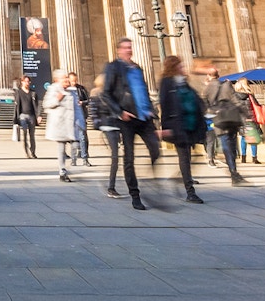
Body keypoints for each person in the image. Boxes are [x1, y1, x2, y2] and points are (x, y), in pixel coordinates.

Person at [101, 38, 160, 211]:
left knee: (156, 149)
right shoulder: (113, 67)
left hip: (144, 117)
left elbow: (143, 90)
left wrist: (150, 109)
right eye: (125, 48)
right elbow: (106, 94)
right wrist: (120, 112)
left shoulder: (137, 68)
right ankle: (135, 195)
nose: (129, 50)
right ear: (119, 50)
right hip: (127, 118)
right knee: (129, 158)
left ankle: (150, 181)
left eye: (130, 47)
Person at [157, 56, 206, 204]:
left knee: (195, 156)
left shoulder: (184, 82)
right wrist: (165, 127)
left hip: (192, 125)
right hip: (178, 126)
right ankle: (190, 192)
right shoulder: (166, 83)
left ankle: (181, 177)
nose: (183, 67)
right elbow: (164, 105)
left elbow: (196, 100)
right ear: (173, 66)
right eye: (180, 65)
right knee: (185, 158)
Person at [204, 64, 247, 185]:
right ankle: (234, 172)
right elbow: (236, 101)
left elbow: (204, 107)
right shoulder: (227, 85)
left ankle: (233, 172)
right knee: (232, 146)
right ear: (218, 76)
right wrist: (245, 114)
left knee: (226, 145)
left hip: (219, 121)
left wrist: (212, 116)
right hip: (232, 119)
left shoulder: (207, 89)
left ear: (208, 76)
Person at [89, 73, 122, 198]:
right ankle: (110, 187)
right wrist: (97, 123)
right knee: (115, 156)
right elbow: (93, 110)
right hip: (107, 126)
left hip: (117, 125)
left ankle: (110, 183)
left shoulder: (113, 94)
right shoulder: (96, 93)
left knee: (117, 156)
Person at [43, 69, 77, 182]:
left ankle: (69, 167)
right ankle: (62, 171)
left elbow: (77, 108)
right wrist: (57, 99)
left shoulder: (72, 91)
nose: (66, 79)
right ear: (57, 79)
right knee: (61, 149)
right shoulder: (53, 89)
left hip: (72, 124)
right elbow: (46, 104)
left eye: (67, 77)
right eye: (64, 77)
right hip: (60, 125)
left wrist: (81, 122)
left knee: (76, 146)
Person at [234, 78, 263, 164]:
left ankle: (243, 158)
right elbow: (257, 105)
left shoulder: (235, 96)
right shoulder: (250, 96)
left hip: (241, 119)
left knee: (243, 138)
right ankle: (254, 158)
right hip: (251, 118)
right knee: (252, 137)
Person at [67, 72, 91, 167]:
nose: (74, 82)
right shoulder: (67, 90)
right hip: (70, 117)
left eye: (75, 80)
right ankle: (73, 159)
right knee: (73, 139)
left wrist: (82, 102)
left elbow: (88, 100)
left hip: (81, 116)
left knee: (82, 138)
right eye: (72, 80)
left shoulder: (81, 89)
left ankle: (85, 158)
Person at [14, 75, 39, 159]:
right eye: (25, 81)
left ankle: (33, 152)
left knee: (32, 135)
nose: (27, 83)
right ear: (22, 82)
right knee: (24, 134)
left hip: (31, 115)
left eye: (28, 81)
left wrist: (38, 115)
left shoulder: (33, 93)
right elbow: (17, 106)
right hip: (22, 116)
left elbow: (37, 105)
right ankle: (26, 152)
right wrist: (15, 118)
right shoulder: (19, 92)